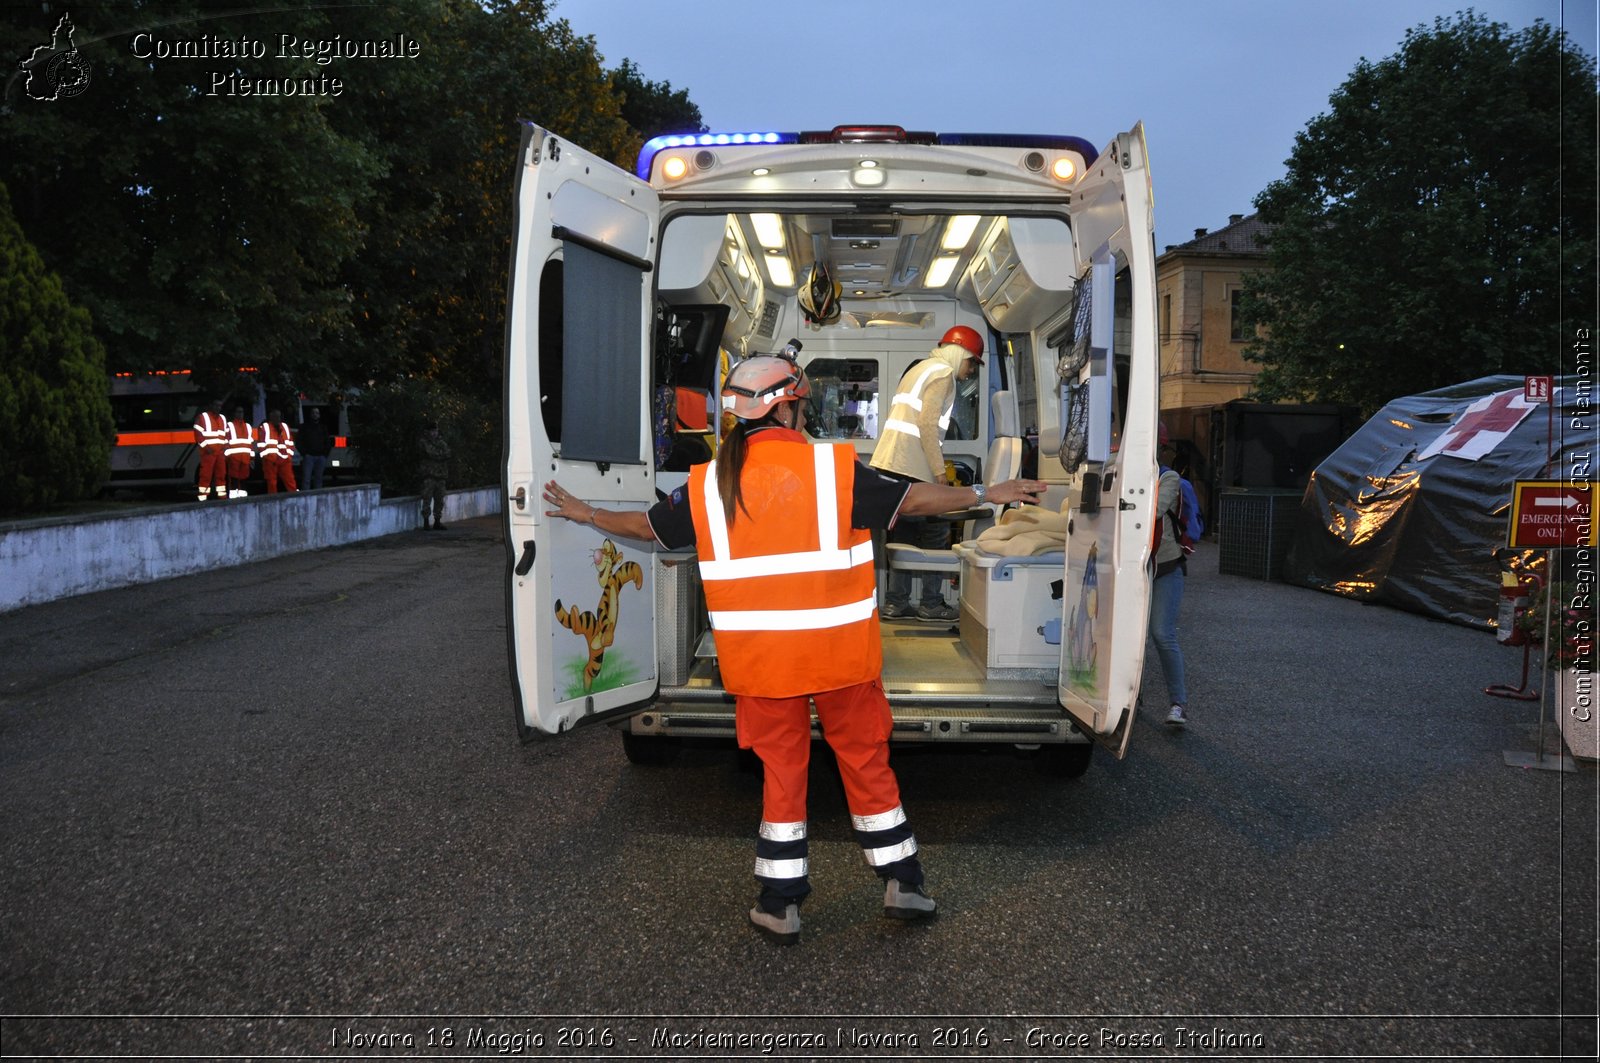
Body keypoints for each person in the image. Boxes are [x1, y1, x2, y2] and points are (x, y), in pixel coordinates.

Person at [542, 354, 1046, 945]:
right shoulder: (835, 469)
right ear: (785, 405)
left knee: (782, 774)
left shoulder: (709, 484)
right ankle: (902, 885)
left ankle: (781, 905)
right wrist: (987, 492)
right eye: (800, 402)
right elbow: (912, 501)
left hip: (762, 668)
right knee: (865, 764)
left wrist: (587, 513)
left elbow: (649, 530)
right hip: (841, 660)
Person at [869, 324, 986, 622]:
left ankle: (896, 603)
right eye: (972, 362)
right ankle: (932, 604)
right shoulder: (943, 375)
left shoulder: (919, 368)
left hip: (889, 462)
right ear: (961, 354)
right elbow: (927, 424)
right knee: (936, 530)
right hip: (910, 465)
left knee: (904, 534)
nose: (971, 370)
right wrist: (939, 474)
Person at [1151, 425, 1190, 728]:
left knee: (1163, 634)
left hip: (1165, 565)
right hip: (1133, 568)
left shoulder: (1169, 477)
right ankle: (1128, 699)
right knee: (1129, 640)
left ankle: (1178, 704)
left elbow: (1154, 510)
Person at [192, 398, 228, 501]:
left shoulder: (222, 418)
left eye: (220, 406)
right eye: (216, 405)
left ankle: (222, 496)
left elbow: (225, 435)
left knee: (221, 475)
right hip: (209, 453)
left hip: (219, 452)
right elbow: (198, 433)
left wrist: (224, 448)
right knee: (206, 475)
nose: (218, 408)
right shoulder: (203, 417)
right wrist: (206, 448)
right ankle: (203, 498)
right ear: (211, 406)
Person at [257, 409, 298, 494]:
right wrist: (267, 458)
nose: (278, 419)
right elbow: (261, 445)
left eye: (279, 417)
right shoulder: (265, 427)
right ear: (271, 417)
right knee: (272, 483)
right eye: (276, 417)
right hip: (271, 461)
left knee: (290, 482)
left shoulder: (285, 427)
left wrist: (289, 457)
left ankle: (295, 499)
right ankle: (273, 502)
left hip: (284, 460)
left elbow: (290, 443)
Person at [419, 422, 450, 529]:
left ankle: (437, 521)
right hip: (429, 475)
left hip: (440, 475)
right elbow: (430, 453)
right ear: (428, 432)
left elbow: (448, 454)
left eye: (436, 431)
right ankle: (426, 522)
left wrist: (438, 454)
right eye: (432, 431)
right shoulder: (423, 442)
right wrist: (439, 454)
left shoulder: (441, 442)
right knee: (427, 498)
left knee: (439, 500)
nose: (434, 433)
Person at [223, 405, 256, 498]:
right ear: (234, 413)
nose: (240, 414)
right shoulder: (230, 425)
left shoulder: (248, 426)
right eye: (238, 412)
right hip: (233, 458)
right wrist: (227, 457)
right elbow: (226, 441)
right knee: (234, 479)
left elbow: (250, 443)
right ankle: (233, 499)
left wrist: (252, 458)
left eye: (241, 412)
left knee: (243, 479)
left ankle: (243, 498)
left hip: (245, 458)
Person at [297, 407, 331, 490]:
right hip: (309, 457)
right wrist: (305, 454)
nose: (315, 414)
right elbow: (298, 442)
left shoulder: (323, 428)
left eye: (317, 413)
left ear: (319, 415)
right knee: (306, 479)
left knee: (318, 479)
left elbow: (327, 442)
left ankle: (317, 499)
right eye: (313, 413)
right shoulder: (304, 427)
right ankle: (305, 497)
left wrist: (324, 454)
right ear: (310, 414)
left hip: (320, 457)